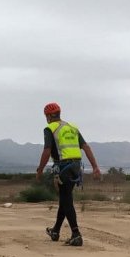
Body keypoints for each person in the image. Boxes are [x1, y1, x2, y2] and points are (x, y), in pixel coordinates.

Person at [36, 102, 102, 247]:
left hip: (63, 166)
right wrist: (95, 167)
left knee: (66, 199)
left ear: (48, 116)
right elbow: (86, 147)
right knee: (65, 199)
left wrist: (40, 169)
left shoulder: (50, 128)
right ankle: (56, 230)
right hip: (76, 166)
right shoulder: (72, 127)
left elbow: (47, 150)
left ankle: (76, 234)